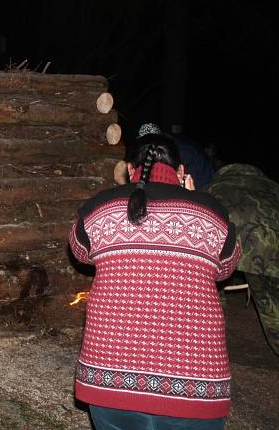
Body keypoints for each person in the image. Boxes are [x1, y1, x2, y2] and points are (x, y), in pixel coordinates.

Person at [69, 133, 241, 428]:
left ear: (129, 170)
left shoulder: (98, 209)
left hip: (110, 384)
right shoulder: (213, 214)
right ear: (182, 171)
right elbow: (225, 268)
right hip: (194, 391)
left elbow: (80, 252)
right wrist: (196, 198)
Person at [206, 164, 279, 356]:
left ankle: (212, 341)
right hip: (273, 250)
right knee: (270, 304)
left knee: (212, 288)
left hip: (230, 249)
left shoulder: (214, 187)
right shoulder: (272, 187)